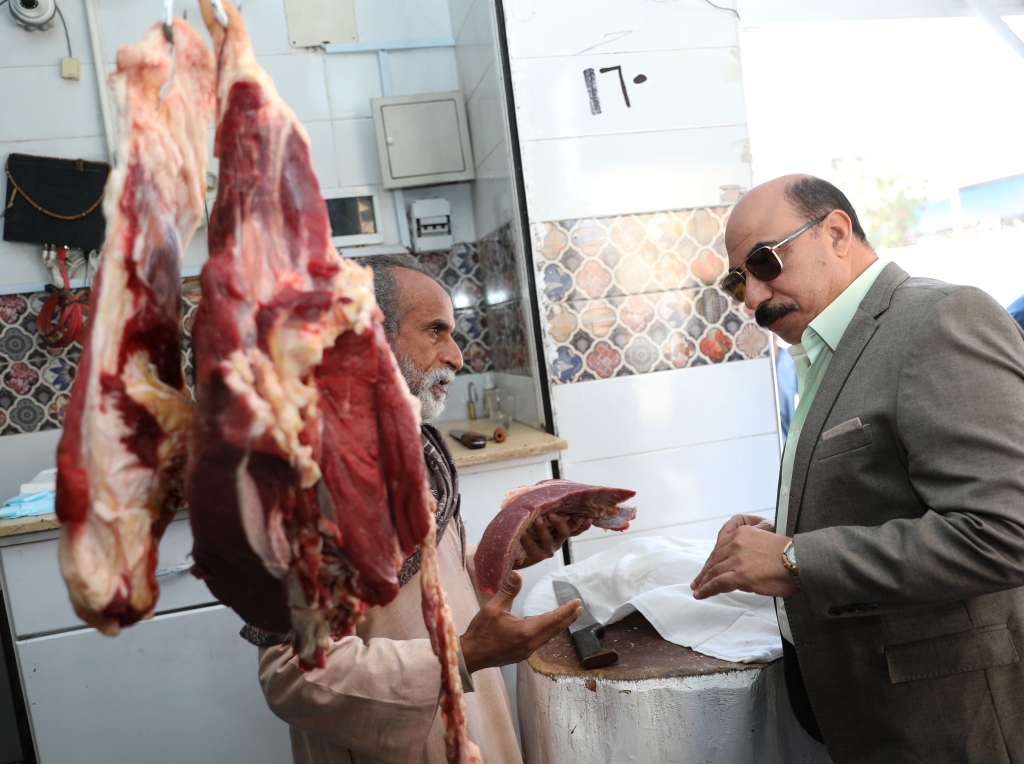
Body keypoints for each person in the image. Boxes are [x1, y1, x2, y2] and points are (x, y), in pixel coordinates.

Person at [690, 175, 1024, 762]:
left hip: (948, 719)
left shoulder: (940, 319)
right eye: (738, 279)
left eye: (765, 262)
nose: (753, 296)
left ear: (837, 234)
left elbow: (1004, 531)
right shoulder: (826, 347)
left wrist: (796, 558)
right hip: (866, 711)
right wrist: (781, 536)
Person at [249, 254, 588, 764]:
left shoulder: (414, 448)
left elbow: (425, 581)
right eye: (435, 331)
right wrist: (463, 655)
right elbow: (293, 674)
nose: (457, 356)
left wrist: (507, 557)